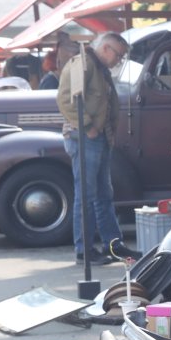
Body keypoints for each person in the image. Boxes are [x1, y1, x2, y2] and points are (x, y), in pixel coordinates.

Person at [56, 33, 127, 262]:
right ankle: (84, 250)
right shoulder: (83, 65)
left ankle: (112, 245)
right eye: (119, 55)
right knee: (87, 196)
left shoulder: (98, 68)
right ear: (106, 49)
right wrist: (88, 127)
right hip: (85, 137)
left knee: (103, 194)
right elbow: (65, 99)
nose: (119, 60)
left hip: (99, 137)